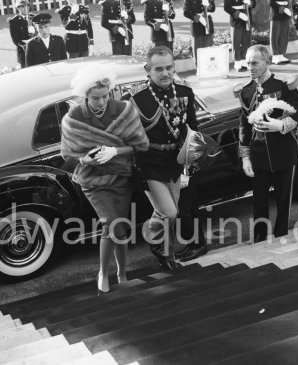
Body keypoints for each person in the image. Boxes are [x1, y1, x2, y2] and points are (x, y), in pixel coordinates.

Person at [60, 65, 149, 294]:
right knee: (110, 223)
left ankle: (121, 272)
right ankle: (103, 271)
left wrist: (115, 152)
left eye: (105, 95)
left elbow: (140, 145)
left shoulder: (124, 109)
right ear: (85, 95)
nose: (101, 102)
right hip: (93, 181)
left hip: (121, 178)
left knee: (119, 227)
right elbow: (68, 154)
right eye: (95, 97)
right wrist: (84, 160)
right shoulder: (74, 116)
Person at [125, 46, 198, 269]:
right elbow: (127, 136)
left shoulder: (185, 92)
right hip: (149, 163)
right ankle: (153, 237)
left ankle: (168, 256)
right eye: (159, 69)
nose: (165, 73)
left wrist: (189, 163)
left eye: (169, 68)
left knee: (171, 214)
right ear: (148, 69)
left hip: (175, 161)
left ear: (174, 67)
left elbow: (192, 129)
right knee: (169, 212)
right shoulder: (136, 98)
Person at [238, 45, 298, 242]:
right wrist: (245, 157)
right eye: (248, 62)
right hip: (259, 154)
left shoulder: (283, 85)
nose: (250, 67)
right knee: (259, 200)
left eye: (255, 62)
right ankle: (259, 237)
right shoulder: (246, 91)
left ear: (267, 62)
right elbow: (244, 125)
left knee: (283, 200)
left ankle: (281, 234)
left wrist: (281, 125)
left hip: (283, 151)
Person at [224, 0, 256, 72]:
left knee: (246, 41)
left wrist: (250, 3)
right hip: (236, 20)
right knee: (236, 42)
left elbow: (254, 3)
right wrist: (238, 13)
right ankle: (237, 62)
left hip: (247, 19)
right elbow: (226, 7)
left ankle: (244, 60)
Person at [8, 0, 36, 68]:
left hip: (36, 49)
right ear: (18, 8)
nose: (26, 8)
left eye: (27, 6)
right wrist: (27, 46)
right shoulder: (14, 21)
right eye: (22, 6)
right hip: (23, 51)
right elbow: (15, 40)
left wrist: (34, 31)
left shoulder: (35, 18)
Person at [270, 0, 292, 64]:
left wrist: (287, 9)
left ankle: (281, 55)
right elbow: (271, 2)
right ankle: (275, 56)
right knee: (275, 36)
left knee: (284, 36)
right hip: (276, 15)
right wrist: (283, 9)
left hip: (285, 15)